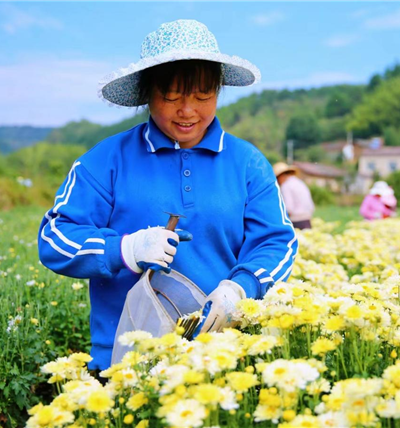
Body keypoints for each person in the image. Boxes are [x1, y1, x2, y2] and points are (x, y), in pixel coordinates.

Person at [37, 20, 298, 372]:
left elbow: (277, 242)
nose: (188, 111)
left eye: (203, 96)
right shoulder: (106, 160)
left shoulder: (247, 163)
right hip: (124, 359)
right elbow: (54, 238)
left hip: (224, 356)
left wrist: (241, 288)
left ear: (218, 92)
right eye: (172, 96)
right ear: (147, 94)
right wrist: (125, 250)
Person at [273, 163, 315, 230]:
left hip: (296, 222)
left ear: (281, 176)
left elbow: (289, 208)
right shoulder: (299, 182)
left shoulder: (286, 186)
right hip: (307, 220)